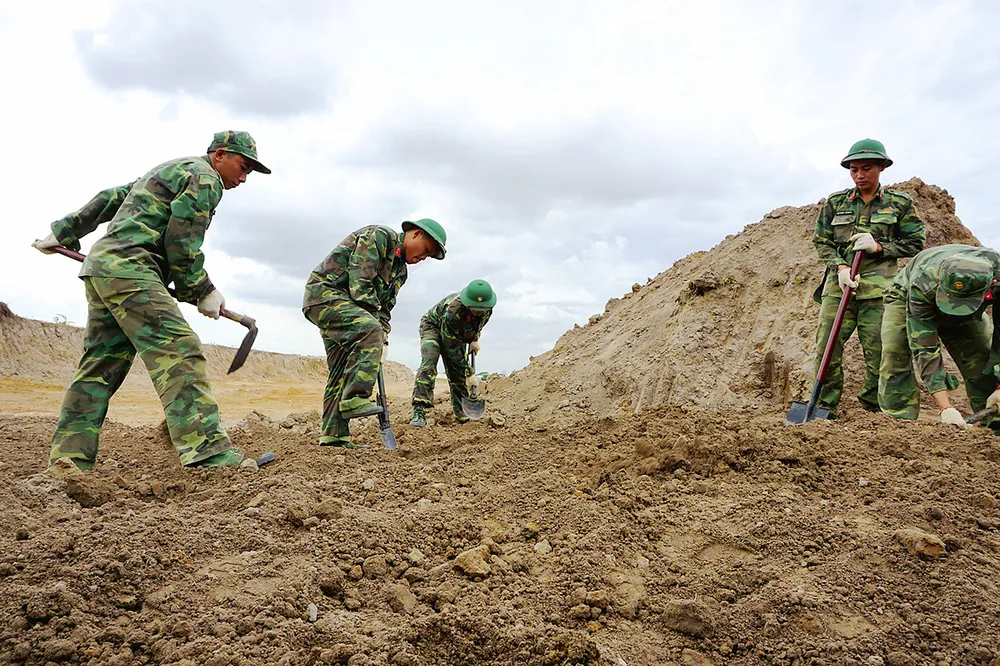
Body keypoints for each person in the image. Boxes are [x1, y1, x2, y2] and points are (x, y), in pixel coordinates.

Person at [32, 131, 270, 470]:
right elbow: (182, 240)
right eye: (242, 167)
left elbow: (113, 197)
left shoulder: (171, 168)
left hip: (101, 268)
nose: (244, 178)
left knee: (101, 364)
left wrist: (65, 231)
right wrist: (202, 289)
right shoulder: (205, 178)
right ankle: (208, 452)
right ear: (220, 155)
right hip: (132, 268)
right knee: (179, 348)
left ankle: (69, 459)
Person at [303, 219, 447, 448]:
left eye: (429, 256)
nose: (424, 257)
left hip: (347, 308)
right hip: (325, 295)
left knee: (341, 369)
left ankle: (334, 436)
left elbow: (385, 309)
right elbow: (360, 285)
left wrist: (384, 340)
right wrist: (375, 335)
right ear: (416, 234)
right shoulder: (379, 237)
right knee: (370, 330)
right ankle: (355, 398)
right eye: (427, 250)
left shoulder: (400, 272)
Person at [810, 138, 925, 417]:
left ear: (882, 167)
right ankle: (824, 406)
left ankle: (873, 408)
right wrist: (839, 267)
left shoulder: (899, 203)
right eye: (853, 169)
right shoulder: (836, 203)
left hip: (879, 292)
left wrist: (880, 247)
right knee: (827, 347)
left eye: (866, 168)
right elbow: (821, 241)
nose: (859, 175)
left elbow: (915, 242)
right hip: (840, 287)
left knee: (880, 351)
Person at [879, 244, 1000, 428]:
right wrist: (946, 408)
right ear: (939, 278)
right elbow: (924, 347)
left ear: (991, 284)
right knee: (894, 352)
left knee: (980, 361)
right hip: (904, 296)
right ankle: (899, 425)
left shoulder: (997, 276)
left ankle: (993, 425)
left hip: (972, 309)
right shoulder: (924, 283)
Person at [409, 280, 496, 427]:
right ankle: (419, 410)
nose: (477, 312)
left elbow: (476, 326)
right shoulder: (453, 312)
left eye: (481, 309)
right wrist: (470, 373)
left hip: (455, 333)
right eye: (473, 309)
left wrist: (474, 339)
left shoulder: (486, 309)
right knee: (430, 361)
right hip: (433, 327)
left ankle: (462, 412)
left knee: (457, 372)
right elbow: (452, 351)